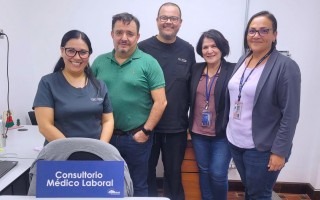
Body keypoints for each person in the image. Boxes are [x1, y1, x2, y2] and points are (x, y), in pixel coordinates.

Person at [225, 11, 301, 199]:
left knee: (259, 194)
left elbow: (290, 114)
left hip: (262, 148)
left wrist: (279, 152)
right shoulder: (244, 59)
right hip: (236, 141)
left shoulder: (286, 66)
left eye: (263, 30)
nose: (256, 35)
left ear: (275, 35)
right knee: (251, 190)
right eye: (252, 31)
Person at [91, 12, 167, 197]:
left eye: (130, 33)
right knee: (106, 183)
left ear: (137, 37)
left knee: (138, 184)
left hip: (136, 137)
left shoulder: (149, 63)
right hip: (105, 138)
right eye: (119, 32)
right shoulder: (99, 62)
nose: (124, 38)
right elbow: (89, 97)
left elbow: (161, 101)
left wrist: (146, 131)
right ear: (112, 34)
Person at [138, 2, 195, 199]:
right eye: (164, 17)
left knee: (173, 176)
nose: (168, 22)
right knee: (145, 174)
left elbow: (191, 90)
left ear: (180, 22)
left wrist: (190, 124)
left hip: (177, 128)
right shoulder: (142, 48)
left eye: (173, 18)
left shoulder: (188, 50)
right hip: (146, 126)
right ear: (157, 21)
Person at [33, 30, 114, 145]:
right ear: (62, 51)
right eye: (71, 51)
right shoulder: (48, 83)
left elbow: (108, 120)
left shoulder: (99, 86)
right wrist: (73, 151)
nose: (77, 57)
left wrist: (101, 147)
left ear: (89, 55)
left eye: (83, 52)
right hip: (60, 154)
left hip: (94, 154)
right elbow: (45, 126)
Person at [189, 29, 235, 200]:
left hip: (222, 133)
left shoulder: (233, 70)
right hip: (198, 132)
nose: (209, 50)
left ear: (222, 47)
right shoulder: (196, 69)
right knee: (204, 170)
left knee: (217, 173)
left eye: (214, 46)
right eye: (205, 47)